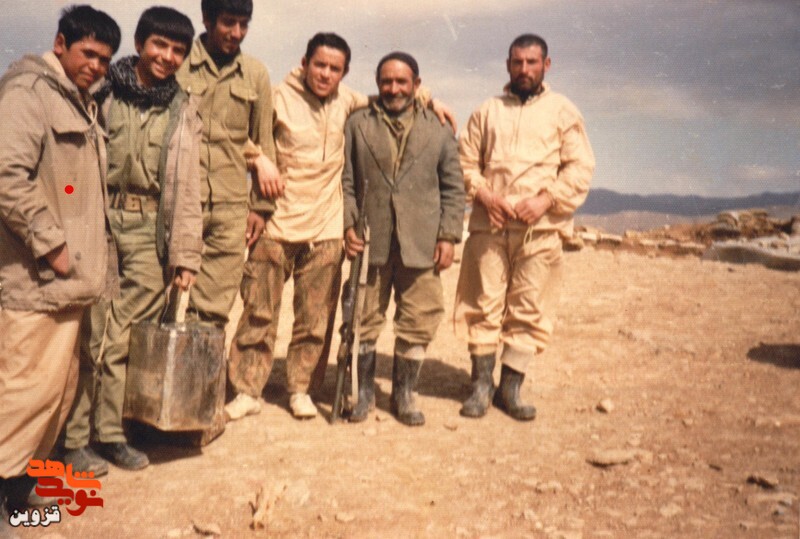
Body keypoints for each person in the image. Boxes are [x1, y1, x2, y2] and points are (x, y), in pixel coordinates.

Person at [225, 34, 457, 420]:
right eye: (319, 65)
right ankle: (247, 390)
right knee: (258, 313)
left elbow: (393, 93)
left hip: (326, 228)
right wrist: (258, 160)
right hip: (277, 223)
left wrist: (428, 99)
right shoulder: (277, 97)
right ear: (304, 63)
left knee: (316, 318)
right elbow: (238, 134)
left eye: (335, 69)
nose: (325, 74)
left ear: (344, 73)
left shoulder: (348, 101)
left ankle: (301, 389)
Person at [60, 6, 203, 474]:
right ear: (140, 44)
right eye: (159, 44)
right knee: (91, 334)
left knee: (126, 337)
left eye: (178, 50)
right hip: (97, 222)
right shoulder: (99, 92)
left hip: (148, 232)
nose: (167, 56)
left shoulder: (183, 108)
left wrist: (185, 255)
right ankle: (74, 440)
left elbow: (187, 187)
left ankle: (111, 434)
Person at [0, 4, 120, 523]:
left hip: (68, 283)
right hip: (37, 280)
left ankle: (18, 489)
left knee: (54, 394)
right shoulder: (28, 93)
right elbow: (7, 176)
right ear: (60, 44)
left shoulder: (77, 100)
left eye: (104, 59)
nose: (95, 65)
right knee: (22, 392)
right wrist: (51, 245)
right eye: (87, 53)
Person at [454, 34, 595, 421]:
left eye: (532, 62)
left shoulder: (563, 111)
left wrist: (546, 200)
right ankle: (481, 386)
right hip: (490, 225)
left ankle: (510, 389)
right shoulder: (488, 110)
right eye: (517, 62)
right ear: (508, 65)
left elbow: (580, 167)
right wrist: (485, 196)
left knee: (529, 308)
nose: (524, 70)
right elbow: (464, 162)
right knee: (482, 304)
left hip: (541, 230)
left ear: (546, 65)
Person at [342, 52, 464, 426]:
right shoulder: (357, 124)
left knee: (419, 318)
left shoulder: (439, 128)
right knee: (362, 318)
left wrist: (448, 235)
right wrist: (348, 225)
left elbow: (453, 188)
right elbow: (346, 182)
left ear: (416, 84)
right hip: (371, 240)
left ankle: (404, 394)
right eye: (386, 81)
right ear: (378, 83)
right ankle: (363, 394)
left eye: (401, 82)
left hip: (422, 243)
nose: (393, 88)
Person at [175, 0, 279, 329]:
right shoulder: (179, 63)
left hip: (230, 208)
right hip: (178, 201)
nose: (236, 33)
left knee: (211, 312)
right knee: (157, 303)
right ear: (207, 19)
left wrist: (261, 207)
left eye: (243, 24)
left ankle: (198, 366)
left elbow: (264, 140)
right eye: (228, 22)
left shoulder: (256, 74)